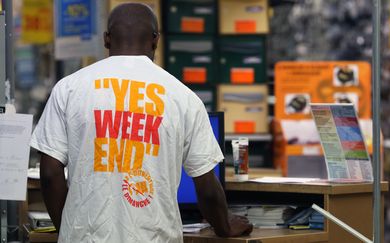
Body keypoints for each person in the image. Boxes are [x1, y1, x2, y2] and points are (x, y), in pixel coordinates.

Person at [30, 3, 253, 243]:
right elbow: (207, 186)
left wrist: (69, 230)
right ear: (156, 40)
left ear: (107, 39)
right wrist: (224, 227)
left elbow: (51, 174)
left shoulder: (70, 88)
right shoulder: (183, 97)